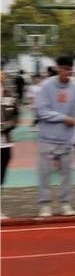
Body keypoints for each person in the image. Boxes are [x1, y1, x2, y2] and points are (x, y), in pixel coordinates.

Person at [35, 56, 75, 217]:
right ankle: (45, 204)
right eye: (63, 68)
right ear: (58, 69)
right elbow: (42, 112)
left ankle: (65, 203)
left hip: (66, 139)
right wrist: (63, 118)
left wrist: (74, 138)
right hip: (47, 138)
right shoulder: (46, 86)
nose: (66, 72)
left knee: (67, 173)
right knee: (45, 173)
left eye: (69, 69)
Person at [1, 70, 19, 219]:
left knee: (1, 176)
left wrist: (5, 126)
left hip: (5, 142)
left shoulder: (9, 94)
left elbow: (16, 116)